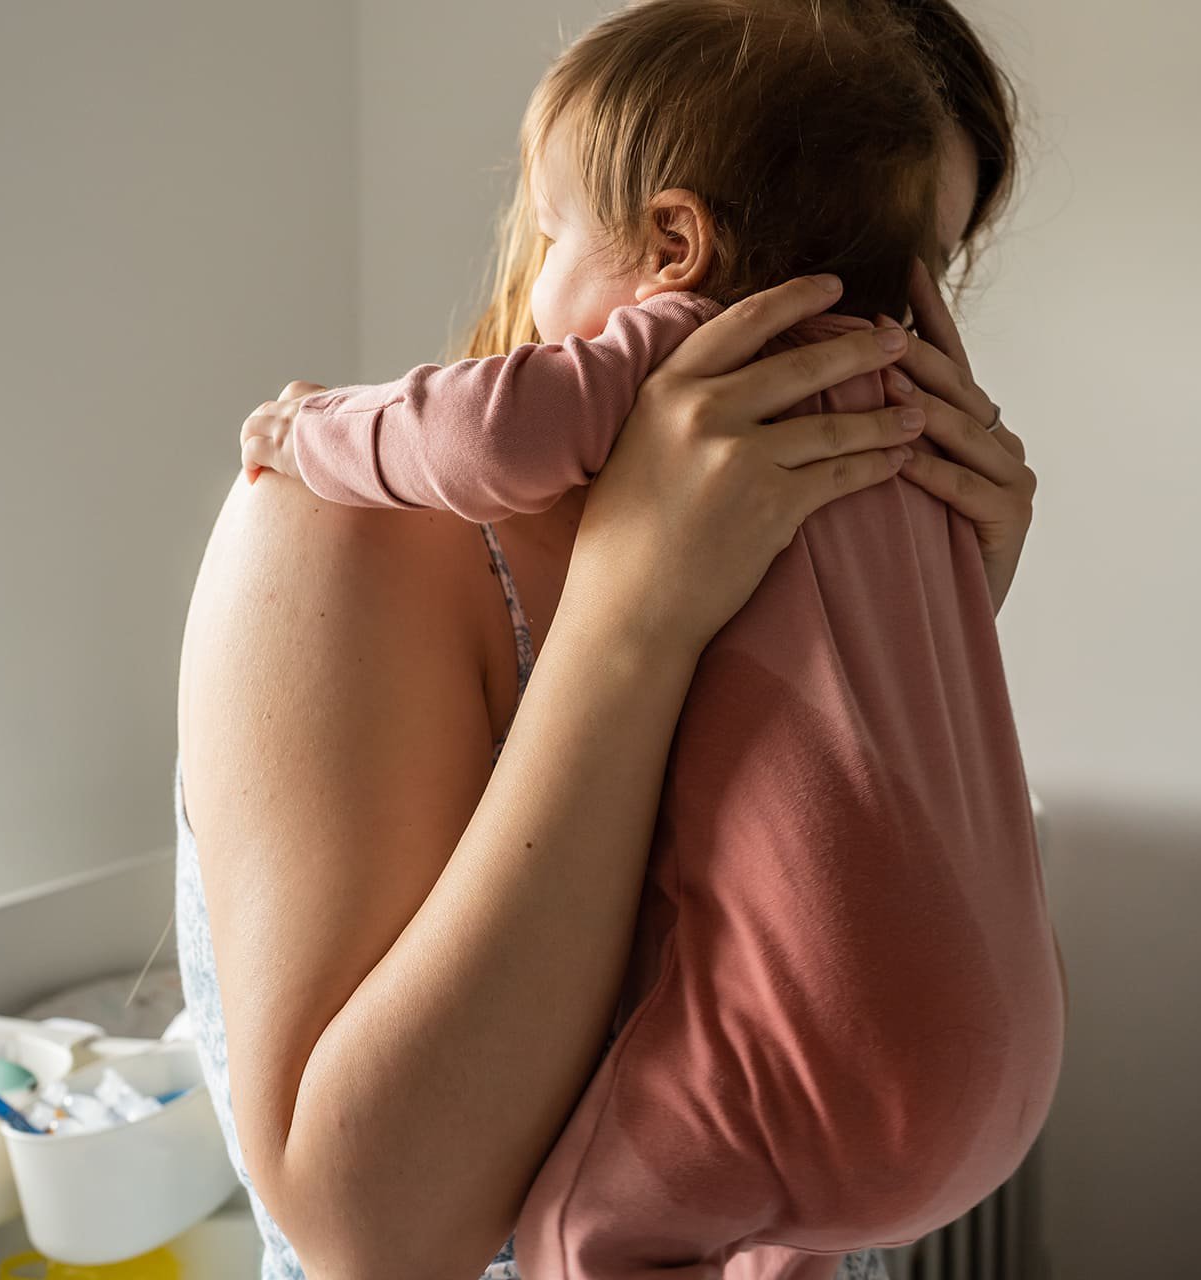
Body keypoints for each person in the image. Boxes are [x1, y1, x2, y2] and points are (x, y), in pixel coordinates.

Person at [173, 1, 1044, 1276]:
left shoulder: (840, 544)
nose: (865, 338)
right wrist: (634, 615)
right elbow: (380, 1235)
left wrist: (947, 617)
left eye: (904, 281)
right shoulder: (345, 534)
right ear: (682, 236)